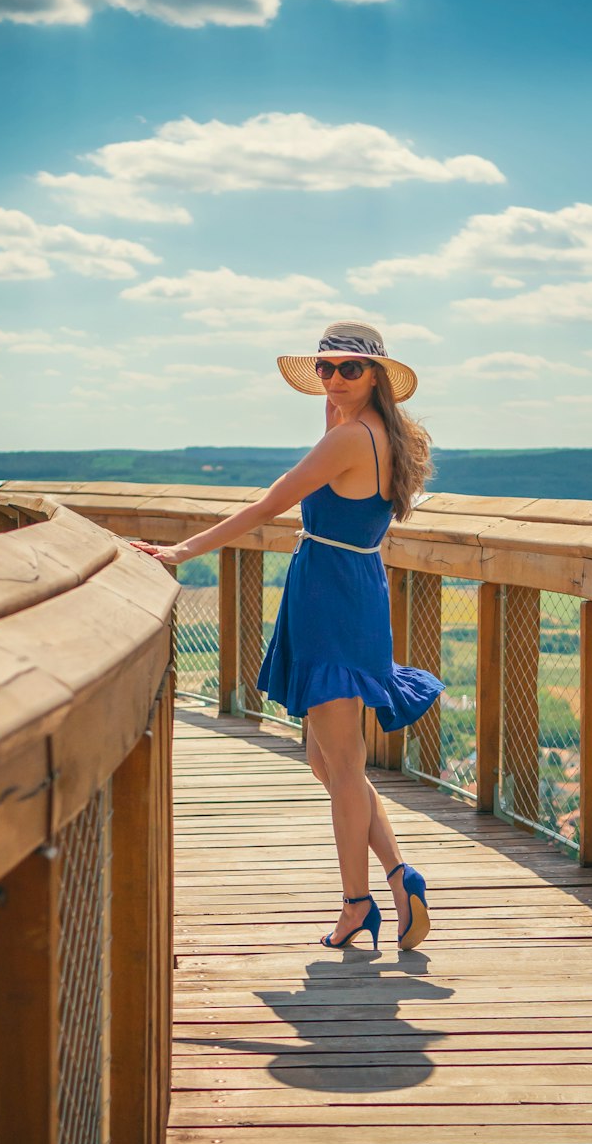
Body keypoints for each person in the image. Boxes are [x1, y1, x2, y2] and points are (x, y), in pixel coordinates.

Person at [132, 321, 445, 953]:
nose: (333, 379)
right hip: (346, 587)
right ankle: (397, 875)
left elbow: (267, 505)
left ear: (377, 377)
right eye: (325, 369)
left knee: (344, 762)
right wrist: (335, 409)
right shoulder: (376, 432)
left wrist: (181, 550)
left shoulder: (351, 439)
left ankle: (358, 903)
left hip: (332, 597)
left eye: (348, 370)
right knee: (326, 759)